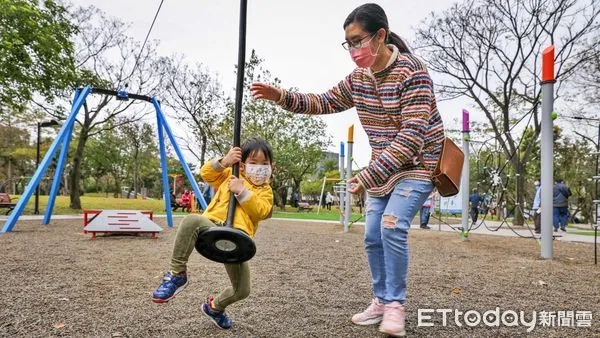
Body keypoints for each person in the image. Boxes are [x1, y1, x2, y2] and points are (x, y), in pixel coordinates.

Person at [250, 4, 443, 336]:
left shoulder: (412, 72)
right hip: (384, 169)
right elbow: (323, 101)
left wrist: (367, 176)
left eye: (358, 41)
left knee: (392, 226)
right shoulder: (359, 79)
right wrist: (280, 95)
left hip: (418, 164)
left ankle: (395, 305)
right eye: (349, 44)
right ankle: (381, 301)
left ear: (380, 35)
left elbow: (412, 135)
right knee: (372, 236)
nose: (354, 50)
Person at [151, 138, 274, 330]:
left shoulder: (265, 190)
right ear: (242, 164)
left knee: (242, 290)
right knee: (191, 220)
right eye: (253, 162)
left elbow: (262, 211)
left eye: (264, 164)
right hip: (212, 226)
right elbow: (206, 174)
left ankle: (215, 307)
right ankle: (177, 273)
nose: (259, 168)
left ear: (271, 166)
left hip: (237, 238)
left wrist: (242, 191)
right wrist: (224, 161)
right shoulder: (230, 173)